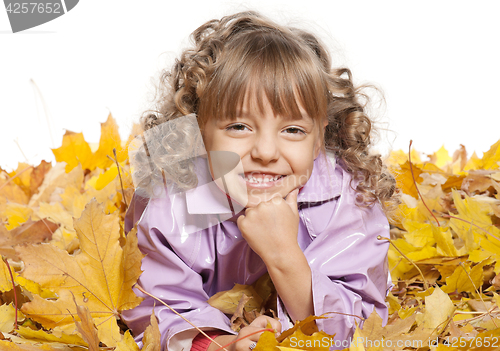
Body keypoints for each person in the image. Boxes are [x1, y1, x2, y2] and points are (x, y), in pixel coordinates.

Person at [122, 11, 398, 351]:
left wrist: (285, 255)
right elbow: (155, 302)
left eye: (293, 130)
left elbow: (362, 325)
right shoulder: (171, 200)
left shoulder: (349, 202)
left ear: (318, 138)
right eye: (239, 126)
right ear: (199, 130)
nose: (266, 151)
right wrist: (220, 344)